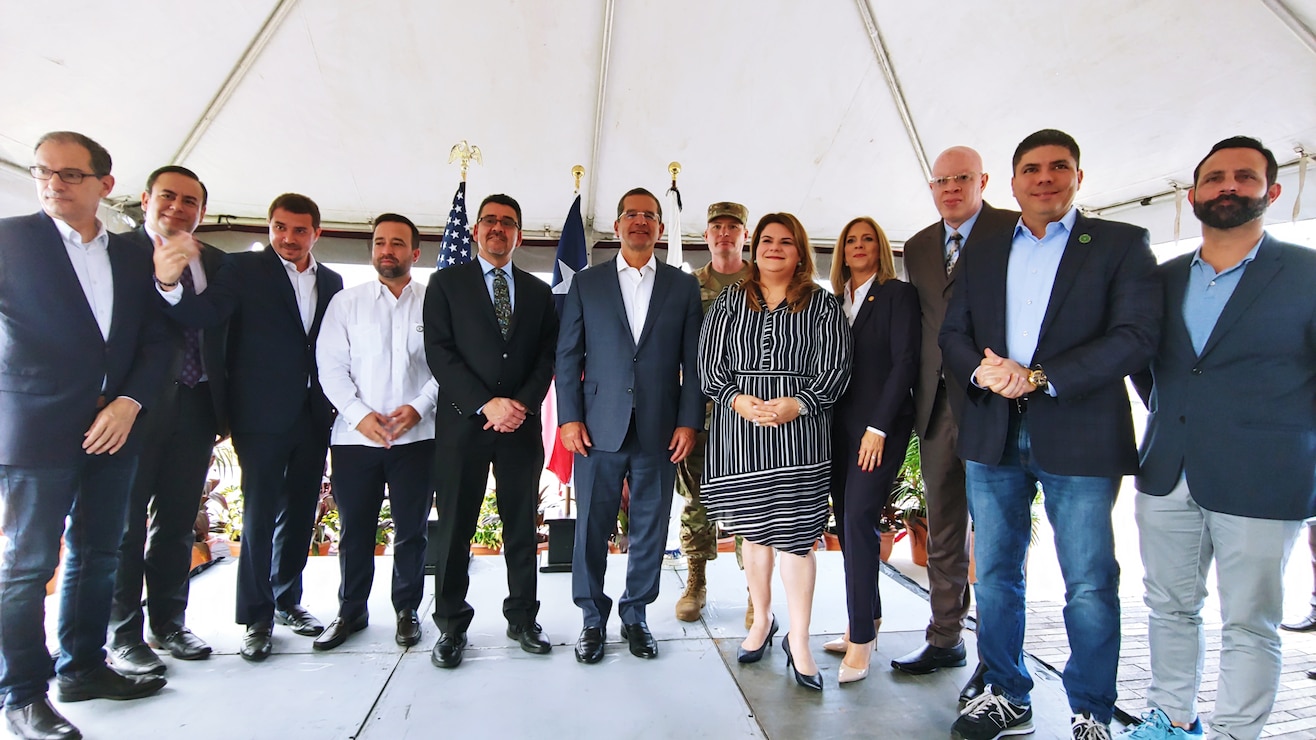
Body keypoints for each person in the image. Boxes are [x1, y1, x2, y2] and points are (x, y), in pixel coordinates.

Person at [940, 129, 1161, 740]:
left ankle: (1091, 710)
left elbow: (1136, 336)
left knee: (1088, 581)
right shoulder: (982, 251)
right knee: (998, 573)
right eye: (1031, 169)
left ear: (1079, 177)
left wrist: (1039, 377)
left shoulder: (1119, 243)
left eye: (1058, 167)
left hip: (1080, 436)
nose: (1044, 178)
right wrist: (983, 370)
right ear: (1011, 183)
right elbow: (952, 333)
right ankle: (1008, 693)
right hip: (992, 435)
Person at [1119, 136, 1316, 740]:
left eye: (1244, 177)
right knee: (1169, 607)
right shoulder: (1163, 277)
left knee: (1251, 622)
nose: (1228, 186)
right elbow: (1146, 366)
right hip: (1168, 470)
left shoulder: (1307, 274)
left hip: (1265, 477)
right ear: (1194, 193)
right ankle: (1171, 717)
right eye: (1214, 178)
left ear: (1272, 191)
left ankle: (1236, 731)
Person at [0, 131, 172, 740]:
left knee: (99, 551)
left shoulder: (131, 254)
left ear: (105, 184)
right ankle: (20, 694)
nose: (53, 183)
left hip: (114, 428)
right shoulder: (9, 241)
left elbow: (158, 337)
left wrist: (129, 402)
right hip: (34, 430)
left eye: (70, 174)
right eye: (43, 172)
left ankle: (83, 669)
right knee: (26, 565)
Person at [153, 193, 343, 661]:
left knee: (300, 512)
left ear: (316, 233)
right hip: (259, 416)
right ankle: (256, 618)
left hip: (314, 414)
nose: (288, 238)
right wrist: (168, 285)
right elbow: (204, 315)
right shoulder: (242, 269)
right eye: (280, 227)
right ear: (269, 227)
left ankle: (287, 601)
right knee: (259, 517)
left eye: (300, 230)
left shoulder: (334, 280)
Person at [699, 212, 853, 691]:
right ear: (754, 247)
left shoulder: (823, 306)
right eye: (766, 240)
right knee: (753, 533)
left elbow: (839, 367)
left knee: (797, 538)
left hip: (800, 434)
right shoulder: (728, 301)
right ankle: (761, 621)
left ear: (801, 252)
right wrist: (737, 399)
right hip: (738, 432)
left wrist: (799, 403)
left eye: (786, 242)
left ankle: (800, 640)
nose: (774, 248)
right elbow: (708, 364)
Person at [892, 146, 1018, 706]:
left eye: (961, 178)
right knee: (943, 526)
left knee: (995, 535)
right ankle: (945, 639)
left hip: (996, 401)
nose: (950, 188)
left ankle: (999, 661)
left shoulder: (1016, 231)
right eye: (940, 180)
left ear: (983, 181)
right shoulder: (917, 246)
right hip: (936, 405)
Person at [557, 187, 703, 664]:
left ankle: (636, 613)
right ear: (617, 225)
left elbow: (694, 361)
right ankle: (592, 618)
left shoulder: (682, 288)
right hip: (597, 428)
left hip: (660, 429)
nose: (640, 221)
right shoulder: (587, 282)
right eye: (631, 214)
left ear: (661, 228)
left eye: (649, 215)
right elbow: (568, 355)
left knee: (650, 526)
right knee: (591, 528)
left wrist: (688, 421)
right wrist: (569, 417)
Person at [424, 194, 558, 668]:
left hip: (519, 427)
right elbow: (440, 353)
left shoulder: (539, 292)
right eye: (490, 221)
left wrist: (519, 404)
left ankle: (523, 617)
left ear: (519, 234)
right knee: (456, 528)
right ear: (477, 230)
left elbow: (548, 356)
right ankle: (451, 626)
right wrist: (487, 403)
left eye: (508, 222)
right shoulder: (444, 284)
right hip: (464, 425)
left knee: (522, 527)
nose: (498, 228)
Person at [106, 166, 226, 678]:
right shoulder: (116, 253)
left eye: (190, 202)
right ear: (145, 199)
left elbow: (216, 324)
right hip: (134, 409)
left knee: (177, 522)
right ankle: (124, 634)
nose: (178, 208)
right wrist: (166, 281)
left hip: (198, 407)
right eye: (168, 197)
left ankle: (169, 623)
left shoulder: (215, 261)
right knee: (125, 526)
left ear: (202, 210)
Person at [313, 213, 438, 652]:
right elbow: (330, 366)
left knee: (412, 531)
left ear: (415, 253)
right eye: (381, 242)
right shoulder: (346, 304)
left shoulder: (433, 302)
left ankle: (407, 611)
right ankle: (351, 611)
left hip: (418, 439)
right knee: (355, 530)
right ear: (372, 250)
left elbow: (448, 364)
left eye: (398, 243)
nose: (388, 250)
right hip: (355, 440)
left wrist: (421, 406)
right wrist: (357, 413)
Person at [825, 216, 919, 684]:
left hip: (877, 431)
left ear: (880, 248)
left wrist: (879, 427)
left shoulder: (898, 295)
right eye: (850, 241)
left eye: (867, 240)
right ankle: (869, 617)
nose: (858, 247)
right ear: (841, 251)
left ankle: (860, 638)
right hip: (834, 431)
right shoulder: (832, 302)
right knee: (847, 524)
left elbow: (905, 363)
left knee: (860, 518)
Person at [674, 201, 753, 624]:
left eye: (732, 227)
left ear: (746, 235)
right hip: (701, 413)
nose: (724, 233)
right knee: (695, 501)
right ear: (706, 236)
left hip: (753, 418)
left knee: (752, 504)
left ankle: (754, 591)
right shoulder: (688, 287)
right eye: (716, 227)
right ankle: (696, 580)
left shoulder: (763, 282)